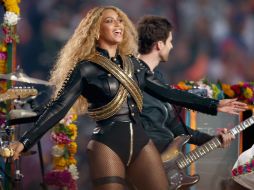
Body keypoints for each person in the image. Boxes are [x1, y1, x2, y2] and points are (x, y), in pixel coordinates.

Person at [9, 7, 247, 190]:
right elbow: (59, 107)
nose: (118, 24)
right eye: (109, 20)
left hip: (142, 143)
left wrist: (214, 104)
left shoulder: (134, 65)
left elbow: (169, 93)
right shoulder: (86, 68)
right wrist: (25, 141)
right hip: (107, 144)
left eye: (120, 19)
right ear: (95, 29)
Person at [136, 15, 246, 153]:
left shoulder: (158, 77)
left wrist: (212, 140)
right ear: (159, 44)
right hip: (144, 155)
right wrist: (214, 104)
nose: (171, 46)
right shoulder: (136, 73)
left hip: (164, 158)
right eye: (170, 41)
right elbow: (172, 94)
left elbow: (176, 127)